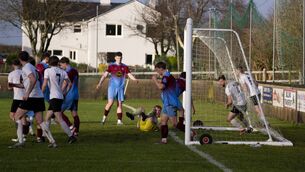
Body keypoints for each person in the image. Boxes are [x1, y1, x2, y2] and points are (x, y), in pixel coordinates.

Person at [8, 51, 51, 148]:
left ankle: (20, 141)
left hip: (31, 97)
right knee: (40, 121)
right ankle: (52, 141)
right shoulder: (32, 67)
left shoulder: (26, 67)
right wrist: (15, 85)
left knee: (16, 117)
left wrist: (27, 93)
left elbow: (33, 79)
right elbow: (28, 82)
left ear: (19, 59)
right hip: (39, 96)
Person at [41, 56, 76, 148]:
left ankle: (71, 136)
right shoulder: (63, 71)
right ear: (58, 63)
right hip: (59, 97)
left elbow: (44, 84)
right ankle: (44, 136)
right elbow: (70, 83)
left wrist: (40, 94)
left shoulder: (47, 71)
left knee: (59, 119)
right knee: (47, 117)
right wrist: (64, 92)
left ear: (49, 63)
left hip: (54, 97)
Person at [96, 52, 138, 125]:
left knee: (119, 104)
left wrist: (134, 79)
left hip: (120, 88)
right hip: (112, 87)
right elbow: (105, 75)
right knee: (110, 103)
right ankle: (103, 119)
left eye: (120, 58)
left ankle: (119, 121)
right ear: (115, 58)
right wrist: (100, 83)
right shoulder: (111, 66)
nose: (119, 59)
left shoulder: (125, 66)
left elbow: (129, 74)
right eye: (118, 58)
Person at [152, 61, 181, 144]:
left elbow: (161, 87)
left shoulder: (166, 76)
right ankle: (164, 140)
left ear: (161, 69)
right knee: (163, 121)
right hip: (166, 103)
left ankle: (191, 133)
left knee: (175, 124)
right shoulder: (166, 76)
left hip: (170, 103)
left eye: (157, 70)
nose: (157, 72)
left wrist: (154, 80)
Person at [8, 59, 35, 141]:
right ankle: (24, 134)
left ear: (13, 65)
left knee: (13, 116)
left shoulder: (11, 74)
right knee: (22, 117)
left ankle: (20, 136)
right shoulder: (23, 71)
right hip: (25, 97)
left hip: (17, 97)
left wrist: (11, 87)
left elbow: (9, 87)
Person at [59, 57, 80, 135]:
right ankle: (76, 131)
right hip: (75, 94)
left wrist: (62, 93)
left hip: (69, 95)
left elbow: (66, 84)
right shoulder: (75, 71)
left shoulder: (68, 72)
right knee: (74, 113)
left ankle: (71, 127)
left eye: (61, 65)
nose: (61, 67)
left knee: (59, 112)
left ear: (65, 63)